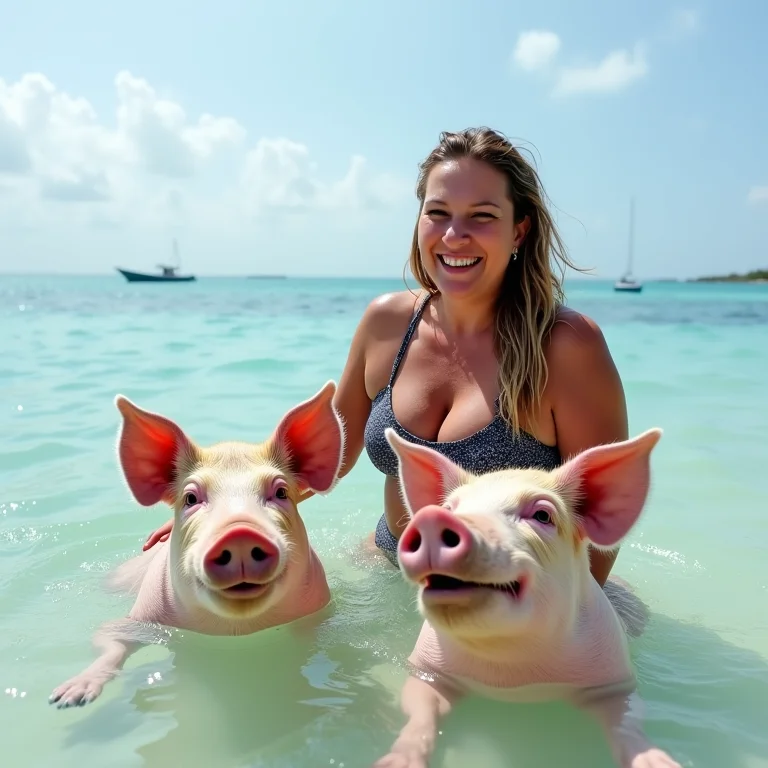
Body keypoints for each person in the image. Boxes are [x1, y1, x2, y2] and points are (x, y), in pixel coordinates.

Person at [142, 126, 628, 588]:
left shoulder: (566, 346)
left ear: (518, 231)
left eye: (481, 215)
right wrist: (222, 517)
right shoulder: (386, 324)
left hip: (514, 598)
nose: (454, 234)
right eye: (438, 212)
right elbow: (325, 460)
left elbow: (602, 516)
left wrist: (571, 624)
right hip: (387, 567)